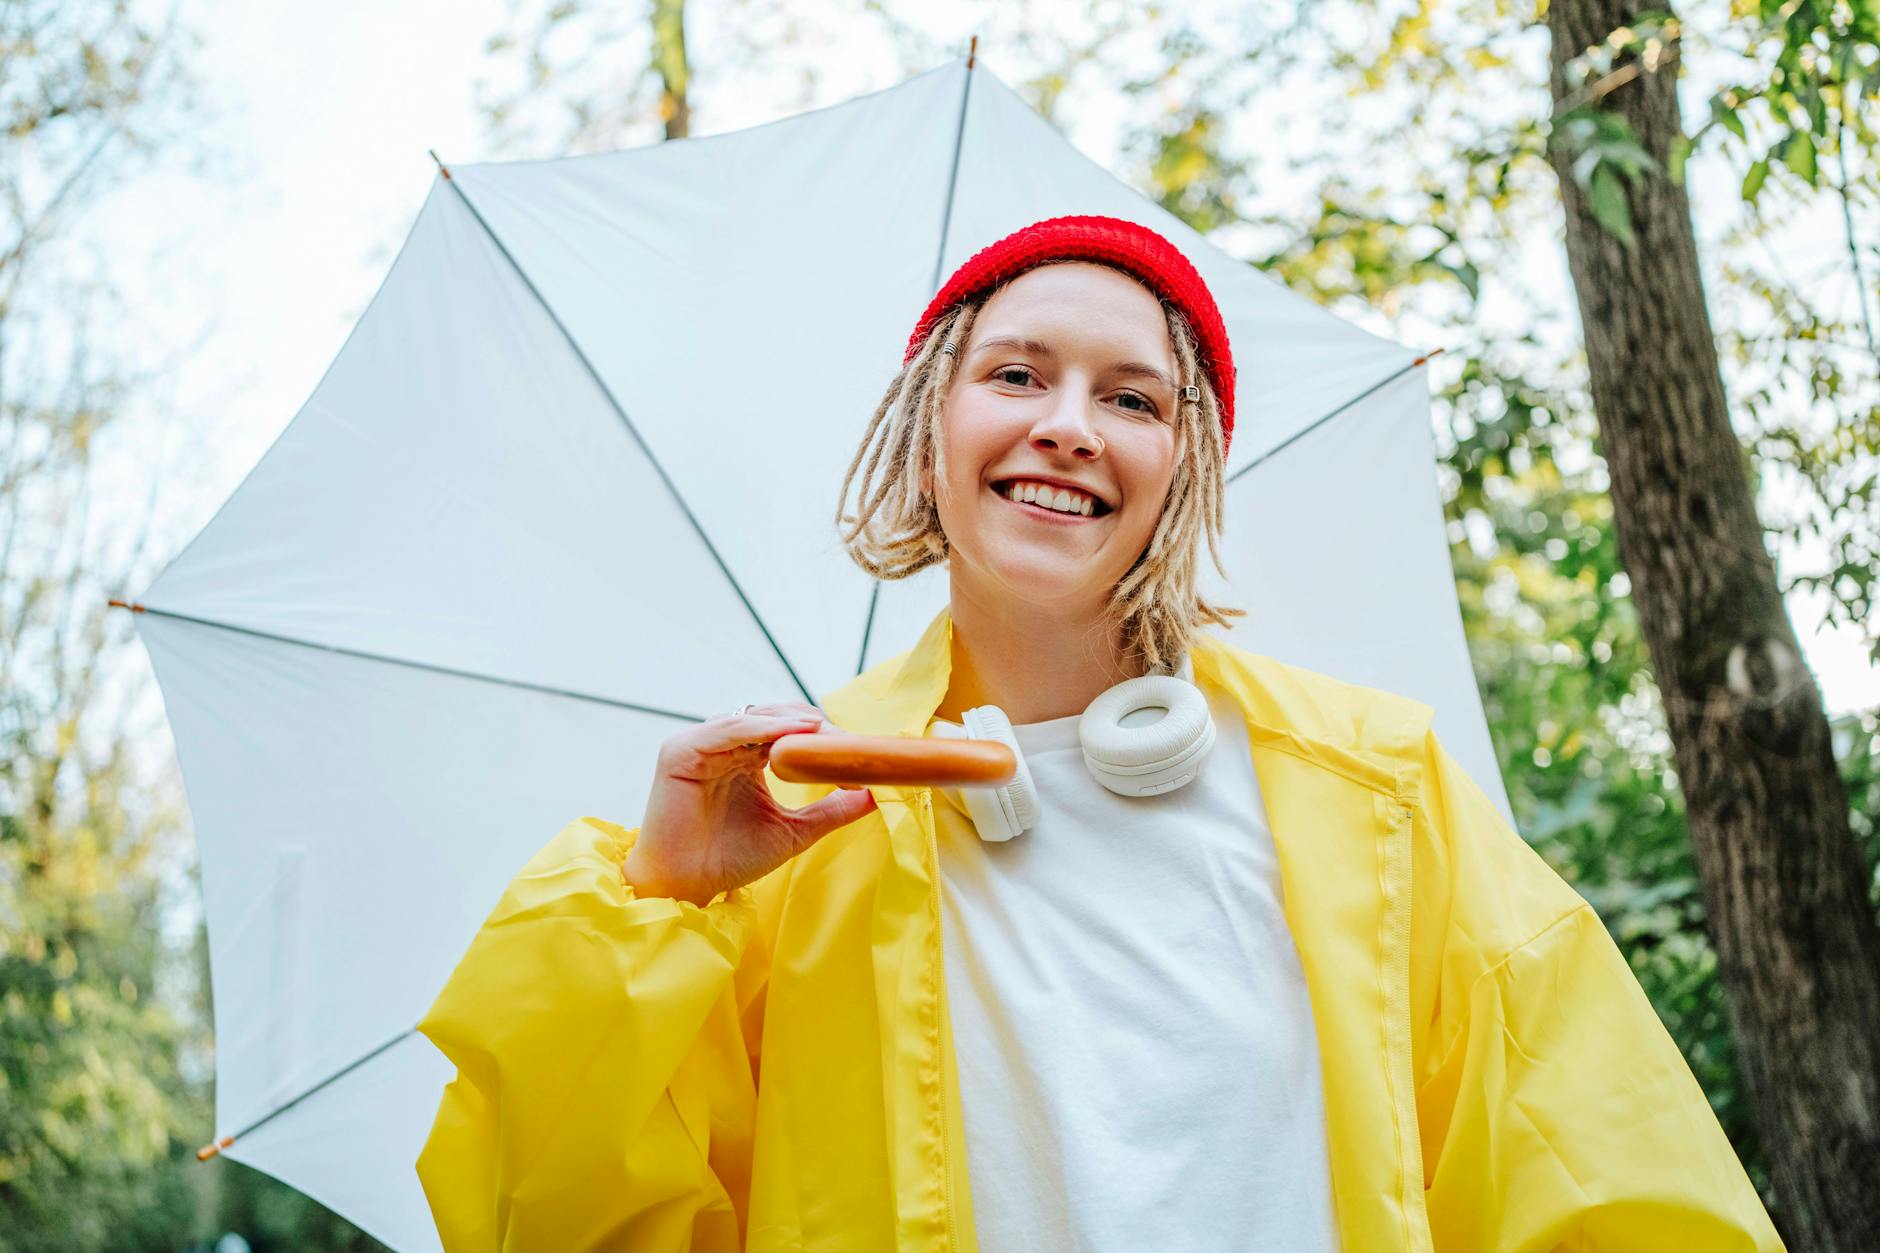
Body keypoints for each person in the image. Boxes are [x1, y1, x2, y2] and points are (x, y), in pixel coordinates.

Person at [414, 216, 1782, 1251]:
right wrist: (657, 903)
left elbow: (1599, 1181)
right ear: (930, 425)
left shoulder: (1373, 783)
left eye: (1133, 397)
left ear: (1184, 467)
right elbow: (559, 1221)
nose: (1069, 427)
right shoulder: (782, 824)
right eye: (1017, 374)